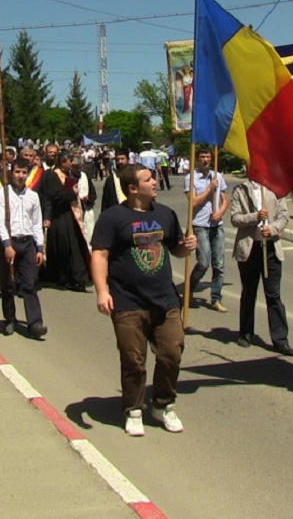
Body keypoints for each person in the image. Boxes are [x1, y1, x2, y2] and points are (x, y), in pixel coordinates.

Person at [92, 164, 197, 436]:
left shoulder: (165, 214)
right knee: (133, 360)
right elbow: (100, 255)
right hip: (128, 302)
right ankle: (134, 409)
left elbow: (174, 248)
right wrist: (102, 291)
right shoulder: (113, 218)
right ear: (133, 188)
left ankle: (163, 404)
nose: (155, 182)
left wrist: (185, 249)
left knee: (172, 352)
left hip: (165, 300)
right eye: (149, 179)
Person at [229, 178, 293, 355]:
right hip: (249, 248)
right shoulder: (240, 190)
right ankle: (246, 333)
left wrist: (272, 229)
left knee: (273, 295)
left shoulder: (275, 187)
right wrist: (255, 217)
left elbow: (283, 216)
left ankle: (280, 339)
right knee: (249, 292)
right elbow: (235, 218)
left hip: (271, 248)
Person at [0, 157, 47, 338]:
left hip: (28, 243)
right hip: (9, 242)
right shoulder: (2, 195)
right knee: (8, 284)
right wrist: (7, 245)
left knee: (30, 284)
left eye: (24, 172)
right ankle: (10, 319)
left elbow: (37, 222)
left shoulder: (33, 196)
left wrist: (39, 247)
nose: (20, 176)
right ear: (11, 172)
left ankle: (35, 323)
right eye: (17, 172)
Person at [38, 150, 91, 291]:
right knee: (64, 247)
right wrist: (71, 193)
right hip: (59, 217)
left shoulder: (69, 174)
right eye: (70, 160)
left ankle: (78, 278)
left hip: (70, 215)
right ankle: (63, 278)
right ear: (62, 162)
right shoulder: (51, 175)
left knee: (75, 246)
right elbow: (54, 197)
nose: (72, 163)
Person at [185, 148, 229, 312]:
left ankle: (215, 298)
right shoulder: (190, 178)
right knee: (203, 263)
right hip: (200, 224)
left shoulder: (218, 176)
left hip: (216, 225)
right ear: (197, 159)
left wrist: (220, 212)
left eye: (208, 157)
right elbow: (193, 203)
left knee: (219, 264)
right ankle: (190, 289)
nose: (205, 159)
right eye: (202, 157)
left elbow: (225, 200)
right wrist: (209, 189)